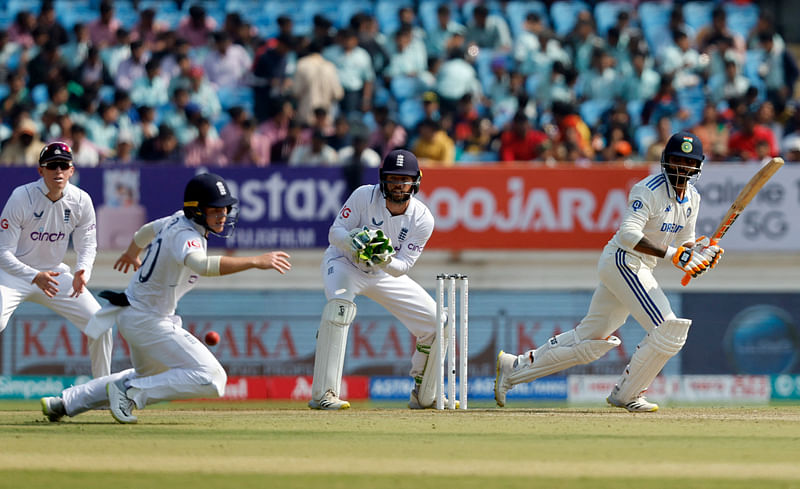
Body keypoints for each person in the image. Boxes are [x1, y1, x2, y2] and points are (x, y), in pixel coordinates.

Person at [494, 132, 724, 412]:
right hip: (623, 261)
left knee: (588, 341)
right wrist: (675, 255)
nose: (681, 168)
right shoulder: (648, 189)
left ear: (698, 166)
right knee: (668, 329)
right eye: (676, 160)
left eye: (688, 163)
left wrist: (700, 254)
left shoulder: (693, 199)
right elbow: (628, 235)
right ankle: (627, 394)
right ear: (665, 160)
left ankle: (514, 368)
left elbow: (685, 241)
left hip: (637, 267)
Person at [40, 173, 292, 424]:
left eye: (225, 208)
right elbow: (201, 265)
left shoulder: (177, 218)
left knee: (141, 376)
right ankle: (129, 394)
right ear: (196, 210)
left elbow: (143, 232)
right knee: (213, 378)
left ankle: (65, 402)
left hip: (137, 314)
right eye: (215, 209)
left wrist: (131, 253)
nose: (223, 214)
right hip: (148, 320)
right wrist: (255, 261)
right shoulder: (187, 235)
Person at [309, 149, 443, 410]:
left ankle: (424, 393)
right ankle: (324, 395)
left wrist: (381, 257)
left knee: (438, 323)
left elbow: (401, 267)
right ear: (383, 178)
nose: (398, 185)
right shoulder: (363, 195)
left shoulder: (423, 218)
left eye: (404, 180)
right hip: (344, 263)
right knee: (339, 309)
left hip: (382, 272)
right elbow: (334, 232)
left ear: (416, 181)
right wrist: (354, 241)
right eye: (393, 179)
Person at [0, 142, 112, 378]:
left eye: (63, 165)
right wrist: (33, 276)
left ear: (72, 170)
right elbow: (2, 252)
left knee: (100, 325)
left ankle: (101, 393)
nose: (58, 171)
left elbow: (88, 245)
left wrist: (83, 270)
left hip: (54, 275)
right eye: (52, 166)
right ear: (41, 171)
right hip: (13, 276)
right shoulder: (22, 197)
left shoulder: (81, 200)